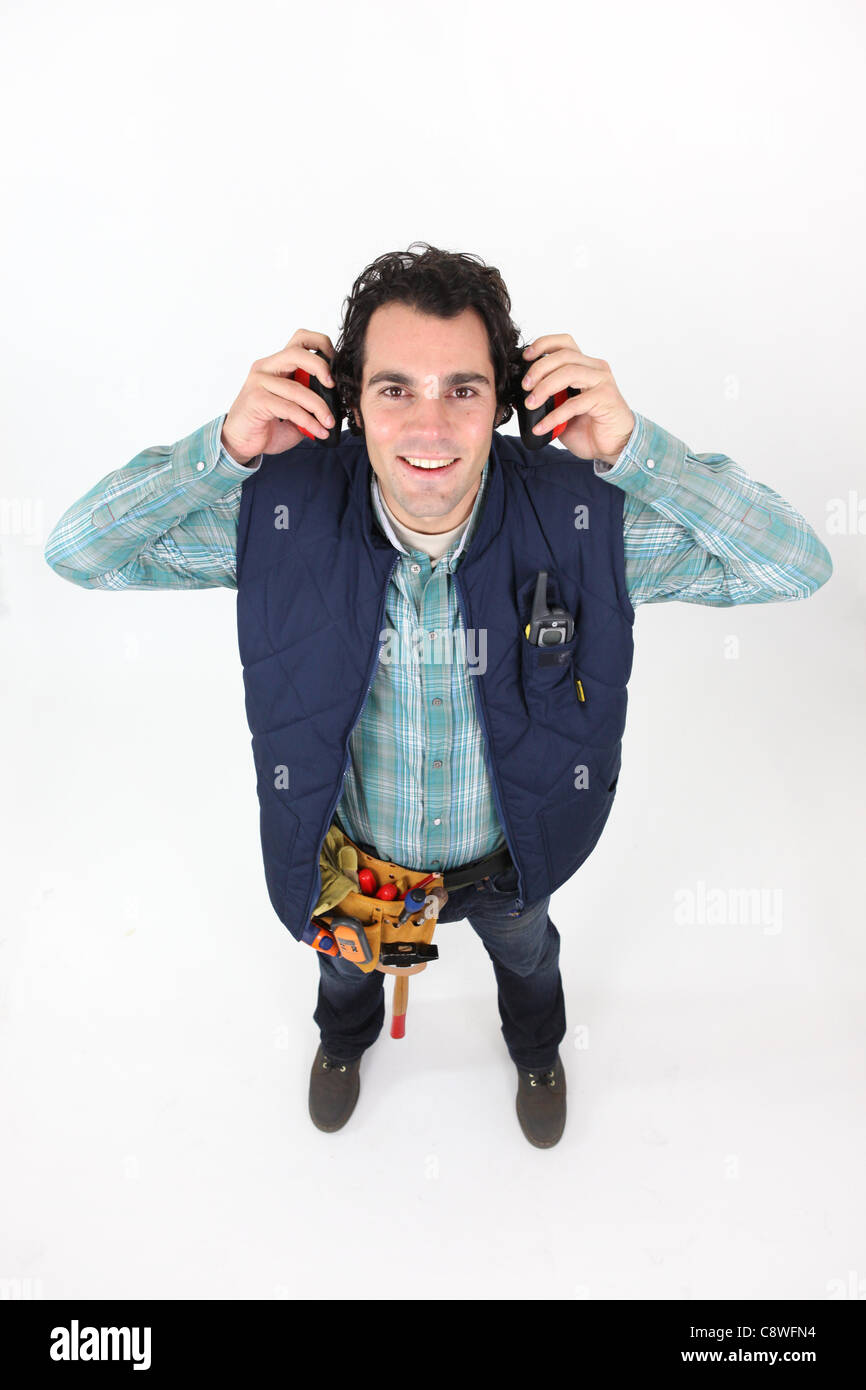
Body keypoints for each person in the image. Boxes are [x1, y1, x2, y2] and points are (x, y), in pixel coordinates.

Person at [44, 242, 833, 1148]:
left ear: (505, 402)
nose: (429, 427)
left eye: (462, 390)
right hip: (356, 868)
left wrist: (638, 452)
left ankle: (537, 1052)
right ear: (349, 404)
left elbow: (798, 566)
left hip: (511, 861)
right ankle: (345, 1044)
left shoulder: (584, 520)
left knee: (530, 958)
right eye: (394, 389)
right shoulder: (280, 517)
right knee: (343, 980)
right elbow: (77, 553)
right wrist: (220, 452)